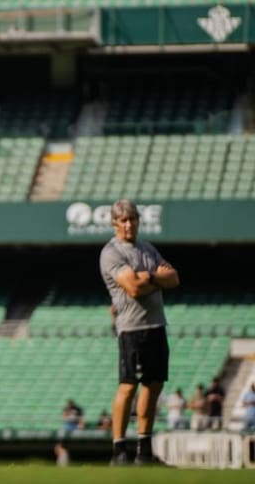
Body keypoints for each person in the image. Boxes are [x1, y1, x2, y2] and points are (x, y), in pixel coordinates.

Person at [99, 199, 180, 466]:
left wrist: (150, 278)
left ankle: (144, 450)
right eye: (123, 220)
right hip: (131, 329)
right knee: (128, 386)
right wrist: (156, 279)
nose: (128, 224)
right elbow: (132, 288)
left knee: (153, 386)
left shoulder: (147, 249)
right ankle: (119, 449)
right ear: (114, 224)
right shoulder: (111, 253)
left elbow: (174, 278)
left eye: (132, 219)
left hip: (156, 325)